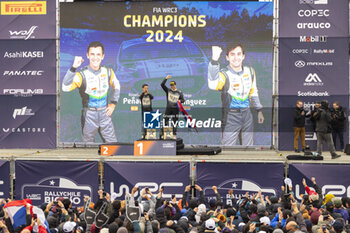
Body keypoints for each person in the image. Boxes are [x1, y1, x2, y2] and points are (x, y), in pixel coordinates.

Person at [62, 41, 120, 143]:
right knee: (88, 145)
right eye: (92, 54)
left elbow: (117, 86)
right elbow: (65, 87)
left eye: (98, 54)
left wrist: (113, 104)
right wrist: (74, 67)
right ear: (87, 55)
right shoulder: (81, 74)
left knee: (112, 145)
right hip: (89, 114)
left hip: (105, 114)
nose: (95, 57)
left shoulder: (108, 72)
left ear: (103, 56)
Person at [208, 44, 264, 146]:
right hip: (231, 116)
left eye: (239, 54)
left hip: (247, 115)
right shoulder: (224, 74)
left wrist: (259, 110)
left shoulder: (250, 71)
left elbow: (253, 91)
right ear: (227, 57)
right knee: (227, 149)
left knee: (248, 149)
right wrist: (214, 61)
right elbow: (212, 85)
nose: (236, 58)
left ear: (243, 56)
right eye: (232, 54)